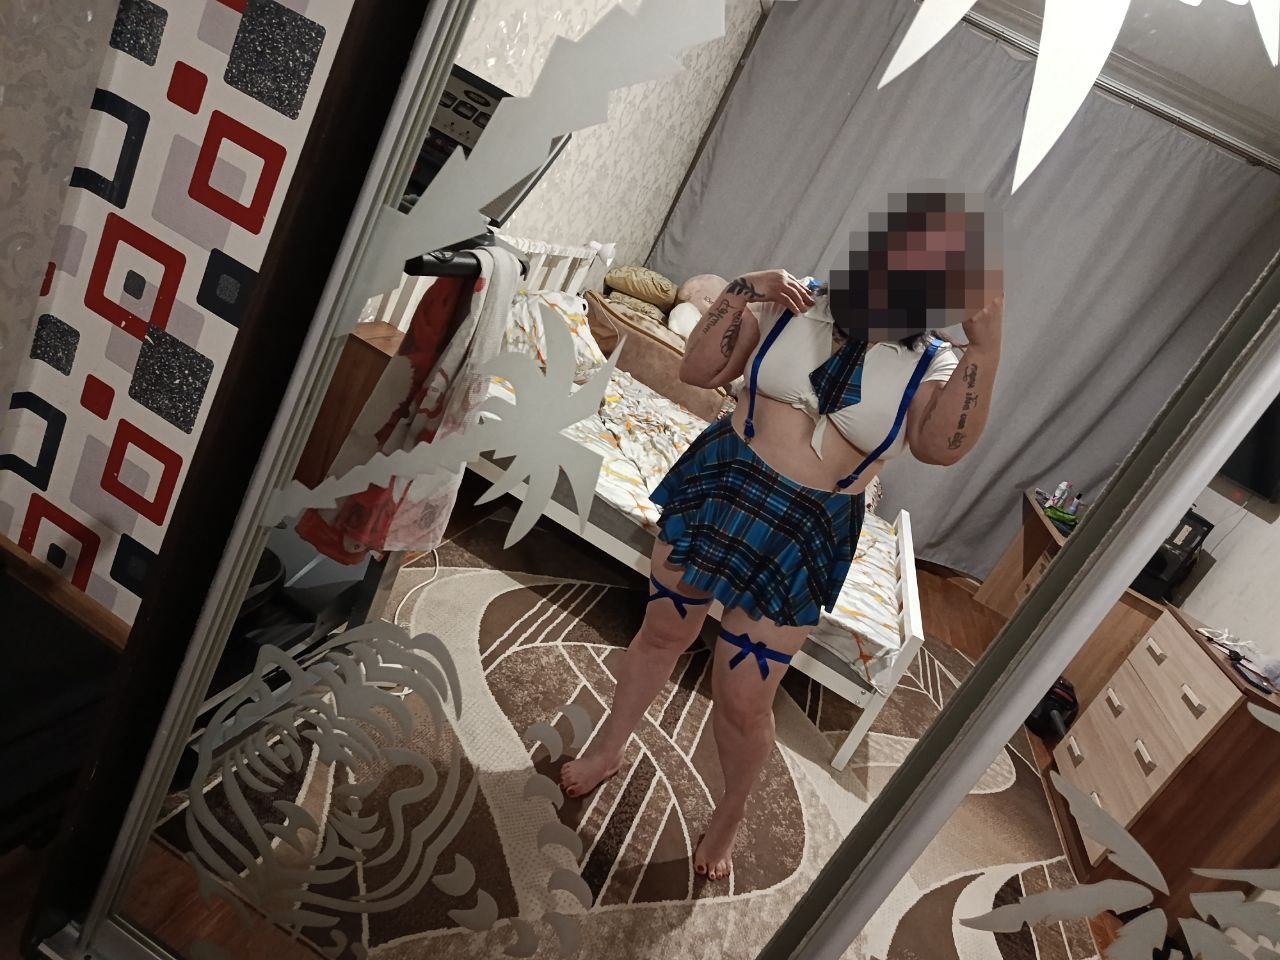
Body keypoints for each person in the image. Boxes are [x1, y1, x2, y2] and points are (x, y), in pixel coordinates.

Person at [561, 194, 1005, 881]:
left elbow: (941, 447)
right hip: (722, 484)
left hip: (807, 530)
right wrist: (743, 289)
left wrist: (987, 347)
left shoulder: (935, 364)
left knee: (743, 698)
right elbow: (698, 370)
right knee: (661, 633)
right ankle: (610, 745)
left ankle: (731, 808)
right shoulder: (796, 300)